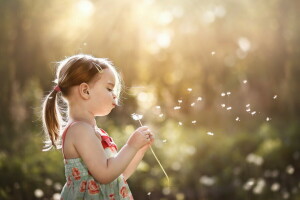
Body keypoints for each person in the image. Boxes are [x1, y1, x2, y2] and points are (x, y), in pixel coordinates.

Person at [41, 54, 154, 199]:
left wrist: (139, 150)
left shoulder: (92, 131)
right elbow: (105, 174)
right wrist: (131, 146)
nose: (115, 95)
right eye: (109, 88)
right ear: (85, 91)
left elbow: (118, 175)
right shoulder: (80, 130)